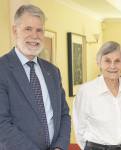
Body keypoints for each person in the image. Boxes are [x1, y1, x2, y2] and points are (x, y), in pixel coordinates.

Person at [0, 4, 71, 150]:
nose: (34, 36)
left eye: (39, 30)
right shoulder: (3, 69)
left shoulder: (53, 71)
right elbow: (2, 124)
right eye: (28, 29)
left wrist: (59, 147)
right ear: (15, 30)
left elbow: (64, 115)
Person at [73, 41, 121, 150]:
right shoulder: (86, 91)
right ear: (99, 63)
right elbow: (79, 128)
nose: (112, 66)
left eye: (117, 61)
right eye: (107, 61)